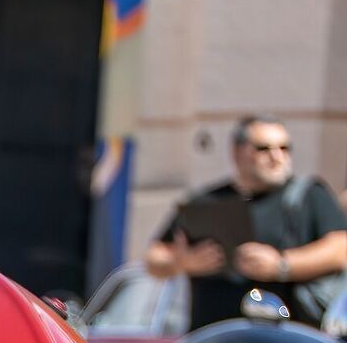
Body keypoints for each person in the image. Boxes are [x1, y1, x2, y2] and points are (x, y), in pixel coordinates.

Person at [146, 115, 347, 330]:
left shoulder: (309, 196)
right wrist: (183, 261)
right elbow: (154, 258)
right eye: (263, 149)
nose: (276, 157)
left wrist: (281, 265)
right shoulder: (208, 202)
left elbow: (340, 249)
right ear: (237, 152)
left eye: (284, 148)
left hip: (285, 336)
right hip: (214, 336)